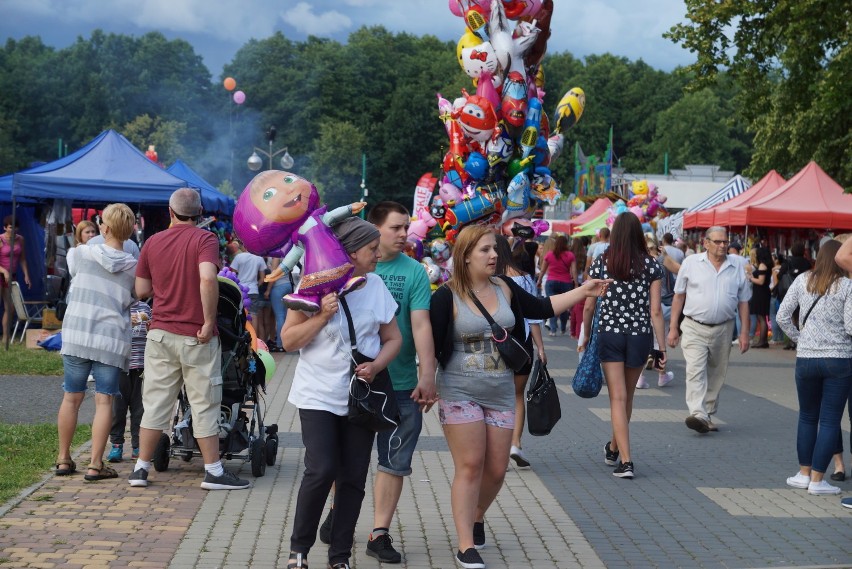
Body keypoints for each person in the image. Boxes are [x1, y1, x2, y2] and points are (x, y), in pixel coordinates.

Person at [429, 225, 607, 569]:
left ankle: (476, 515)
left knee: (496, 470)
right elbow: (432, 345)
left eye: (494, 249)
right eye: (485, 250)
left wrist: (584, 291)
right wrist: (424, 383)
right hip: (459, 390)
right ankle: (466, 544)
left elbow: (542, 306)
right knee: (470, 466)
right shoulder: (445, 296)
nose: (494, 255)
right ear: (465, 255)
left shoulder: (506, 288)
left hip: (500, 391)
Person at [315, 202, 435, 563]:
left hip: (400, 383)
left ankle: (378, 532)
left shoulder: (414, 272)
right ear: (374, 230)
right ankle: (341, 509)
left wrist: (427, 372)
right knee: (345, 458)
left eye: (406, 227)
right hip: (355, 384)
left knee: (394, 460)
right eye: (396, 228)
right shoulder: (343, 269)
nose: (404, 234)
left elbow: (420, 324)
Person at [282, 216, 402, 569]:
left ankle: (339, 557)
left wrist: (377, 366)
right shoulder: (312, 284)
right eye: (371, 249)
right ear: (349, 253)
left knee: (352, 477)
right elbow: (288, 341)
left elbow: (394, 339)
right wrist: (320, 316)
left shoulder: (376, 286)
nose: (377, 255)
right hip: (317, 394)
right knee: (321, 470)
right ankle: (299, 551)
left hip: (359, 396)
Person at [131, 188, 250, 491]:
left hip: (159, 333)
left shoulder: (153, 241)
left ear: (170, 212)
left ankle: (140, 469)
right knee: (204, 403)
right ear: (199, 214)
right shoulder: (204, 239)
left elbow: (141, 291)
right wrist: (209, 321)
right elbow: (209, 278)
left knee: (156, 402)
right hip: (196, 336)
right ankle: (213, 471)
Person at [56, 203, 137, 480]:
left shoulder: (80, 253)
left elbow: (75, 275)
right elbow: (135, 296)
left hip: (78, 333)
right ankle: (94, 464)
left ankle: (64, 459)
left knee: (71, 397)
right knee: (104, 402)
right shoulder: (133, 268)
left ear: (106, 228)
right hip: (110, 339)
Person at [582, 213, 666, 478]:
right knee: (627, 397)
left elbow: (589, 303)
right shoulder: (651, 266)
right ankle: (613, 447)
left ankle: (626, 461)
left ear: (615, 234)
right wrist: (661, 348)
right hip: (639, 335)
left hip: (610, 334)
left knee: (617, 398)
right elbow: (656, 311)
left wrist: (584, 335)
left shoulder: (601, 264)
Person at [776, 239, 852, 496]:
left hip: (806, 359)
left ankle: (803, 473)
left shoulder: (802, 280)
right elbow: (851, 327)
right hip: (838, 360)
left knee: (807, 416)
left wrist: (801, 340)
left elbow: (782, 316)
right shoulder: (847, 286)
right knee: (830, 420)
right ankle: (818, 480)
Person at [667, 226, 752, 434]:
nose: (723, 245)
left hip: (724, 328)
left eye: (725, 242)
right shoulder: (691, 263)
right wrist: (672, 328)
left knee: (716, 373)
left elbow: (743, 302)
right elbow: (678, 296)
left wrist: (744, 333)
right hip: (694, 326)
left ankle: (708, 412)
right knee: (695, 370)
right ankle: (698, 413)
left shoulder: (737, 266)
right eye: (718, 242)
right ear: (706, 243)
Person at [495, 235, 546, 469]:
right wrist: (541, 347)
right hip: (522, 344)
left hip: (495, 344)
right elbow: (534, 316)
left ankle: (497, 451)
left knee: (494, 398)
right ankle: (515, 443)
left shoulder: (488, 279)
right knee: (517, 396)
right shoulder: (525, 278)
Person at [107, 299, 151, 462]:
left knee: (139, 410)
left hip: (141, 367)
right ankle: (116, 445)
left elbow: (151, 334)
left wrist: (149, 325)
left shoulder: (145, 307)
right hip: (120, 368)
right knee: (118, 410)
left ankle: (138, 446)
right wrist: (126, 324)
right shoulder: (116, 308)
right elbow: (109, 333)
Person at [637, 234, 675, 389]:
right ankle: (662, 375)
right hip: (660, 307)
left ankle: (640, 378)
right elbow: (671, 283)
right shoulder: (660, 263)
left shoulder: (638, 264)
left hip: (641, 309)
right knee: (660, 342)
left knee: (643, 343)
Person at [229, 240, 270, 343]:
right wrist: (256, 284)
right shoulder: (259, 258)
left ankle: (245, 340)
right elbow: (262, 278)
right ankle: (254, 340)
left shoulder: (238, 257)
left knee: (242, 315)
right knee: (254, 315)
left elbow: (232, 275)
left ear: (244, 246)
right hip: (253, 290)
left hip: (241, 290)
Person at [536, 234, 577, 336]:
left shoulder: (549, 254)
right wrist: (575, 283)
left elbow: (543, 270)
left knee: (553, 306)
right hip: (565, 282)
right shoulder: (570, 255)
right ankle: (563, 328)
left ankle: (553, 330)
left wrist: (539, 281)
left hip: (551, 282)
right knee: (564, 306)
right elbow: (574, 270)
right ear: (566, 244)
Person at [0, 214, 31, 342]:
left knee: (11, 308)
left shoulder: (20, 239)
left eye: (15, 227)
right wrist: (4, 271)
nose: (13, 230)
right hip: (1, 274)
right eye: (11, 227)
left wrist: (26, 274)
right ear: (5, 228)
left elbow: (22, 258)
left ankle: (6, 336)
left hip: (12, 276)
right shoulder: (1, 239)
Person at [780, 241, 813, 350]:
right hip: (805, 291)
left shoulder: (787, 262)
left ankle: (792, 340)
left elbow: (780, 274)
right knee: (801, 315)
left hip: (789, 290)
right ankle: (801, 338)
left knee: (790, 315)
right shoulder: (807, 263)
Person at [746, 247, 772, 348]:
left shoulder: (762, 265)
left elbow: (760, 281)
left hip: (760, 292)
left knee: (761, 317)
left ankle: (762, 341)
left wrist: (751, 278)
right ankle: (763, 340)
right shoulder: (767, 265)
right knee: (762, 317)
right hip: (764, 292)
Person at [265, 256, 293, 352]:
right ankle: (287, 342)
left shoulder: (276, 256)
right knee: (285, 316)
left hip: (278, 286)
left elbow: (274, 274)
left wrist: (268, 290)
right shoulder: (287, 253)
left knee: (279, 316)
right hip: (289, 284)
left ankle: (280, 344)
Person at [569, 236, 589, 338]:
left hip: (571, 277)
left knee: (572, 298)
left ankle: (572, 314)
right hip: (581, 278)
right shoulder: (584, 254)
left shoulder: (570, 252)